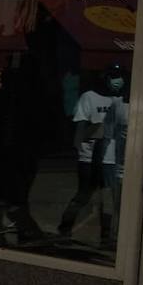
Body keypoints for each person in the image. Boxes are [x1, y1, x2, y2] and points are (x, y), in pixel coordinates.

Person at [58, 67, 126, 248]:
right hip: (89, 156)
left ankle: (106, 236)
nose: (118, 81)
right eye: (114, 77)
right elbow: (80, 126)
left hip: (109, 158)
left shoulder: (119, 100)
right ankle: (64, 228)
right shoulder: (89, 97)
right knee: (84, 195)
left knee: (108, 197)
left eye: (120, 78)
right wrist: (81, 143)